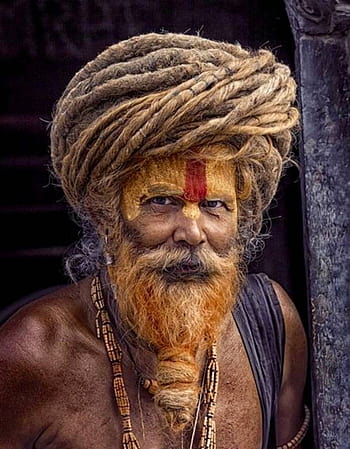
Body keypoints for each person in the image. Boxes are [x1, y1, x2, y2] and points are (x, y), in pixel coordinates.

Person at [0, 33, 308, 449]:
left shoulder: (272, 325)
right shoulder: (31, 355)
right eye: (161, 201)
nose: (193, 232)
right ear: (106, 215)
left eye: (216, 204)